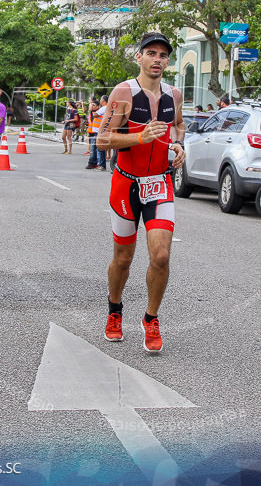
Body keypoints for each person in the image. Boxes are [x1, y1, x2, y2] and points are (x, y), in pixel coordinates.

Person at [96, 32, 186, 353]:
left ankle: (151, 318)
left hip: (159, 182)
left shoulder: (174, 94)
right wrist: (139, 138)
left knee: (161, 256)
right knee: (123, 258)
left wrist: (178, 145)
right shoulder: (124, 92)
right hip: (126, 183)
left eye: (163, 54)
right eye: (151, 53)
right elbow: (102, 140)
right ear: (140, 58)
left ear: (168, 61)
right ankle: (115, 311)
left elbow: (178, 124)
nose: (157, 59)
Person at [87, 96, 108, 171]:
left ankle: (101, 165)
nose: (100, 100)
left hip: (99, 131)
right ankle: (98, 164)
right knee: (97, 148)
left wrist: (91, 110)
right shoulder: (104, 108)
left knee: (100, 148)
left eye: (101, 99)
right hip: (97, 131)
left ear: (103, 100)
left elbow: (95, 115)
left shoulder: (104, 108)